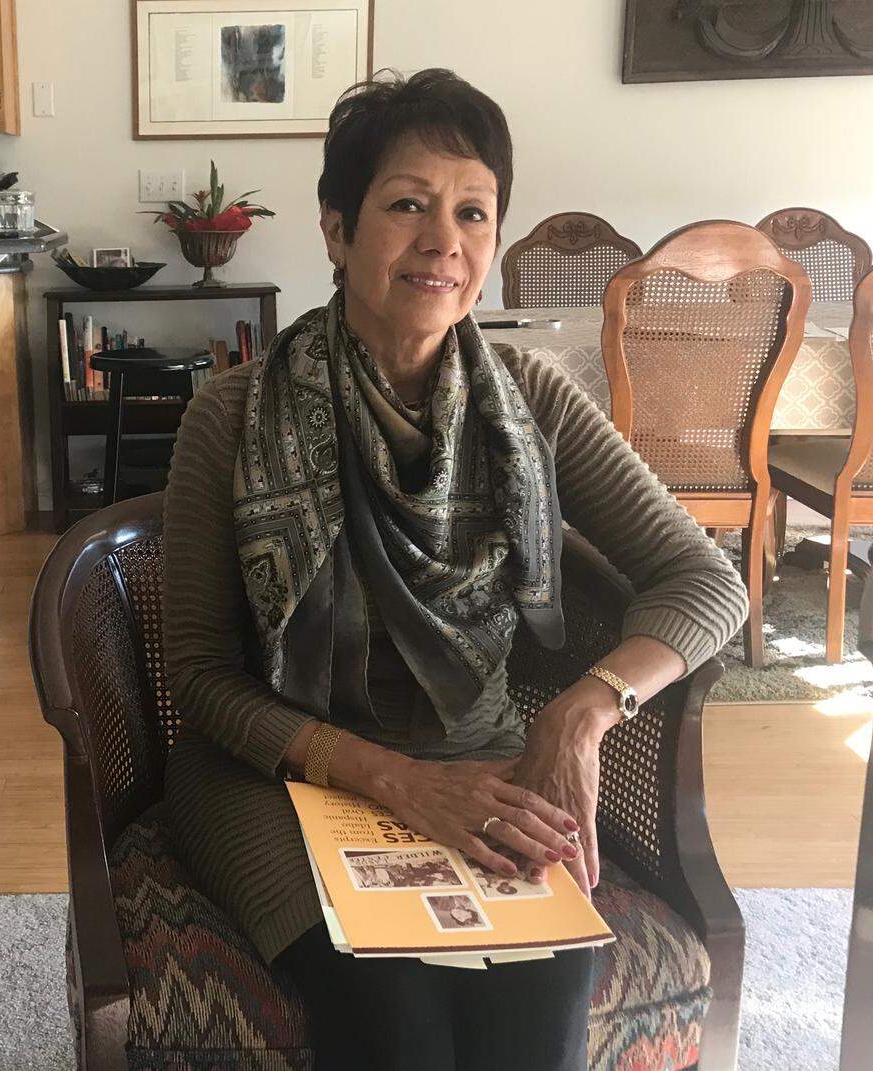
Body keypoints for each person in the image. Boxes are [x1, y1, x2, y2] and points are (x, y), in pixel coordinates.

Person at [162, 67, 748, 1071]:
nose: (445, 241)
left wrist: (579, 710)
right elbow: (202, 681)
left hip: (480, 759)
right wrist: (389, 779)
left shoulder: (532, 402)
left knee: (541, 996)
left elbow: (706, 582)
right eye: (407, 206)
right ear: (337, 231)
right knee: (386, 1005)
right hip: (280, 771)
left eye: (473, 211)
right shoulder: (232, 415)